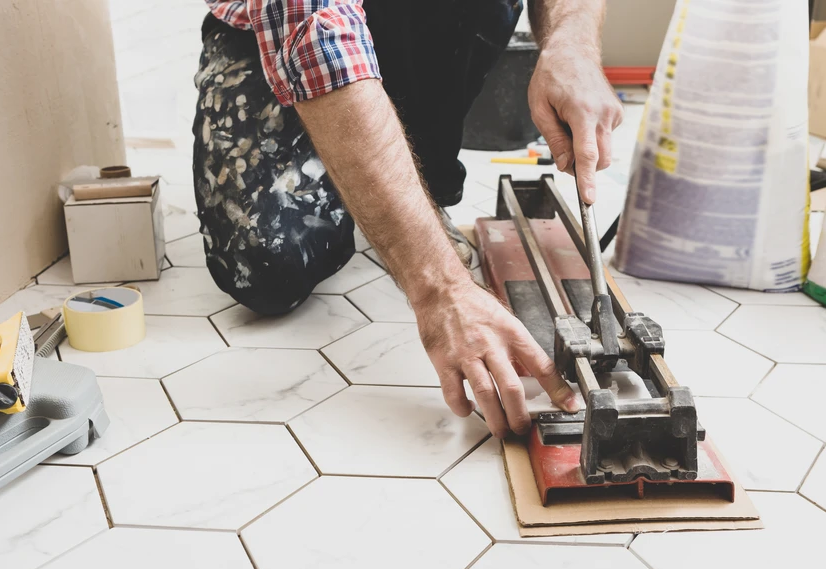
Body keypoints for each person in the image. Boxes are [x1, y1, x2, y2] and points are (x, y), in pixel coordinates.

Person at [193, 0, 623, 438]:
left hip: (418, 23)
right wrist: (440, 289)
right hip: (277, 31)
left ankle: (416, 180)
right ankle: (365, 173)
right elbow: (319, 38)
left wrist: (573, 47)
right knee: (269, 270)